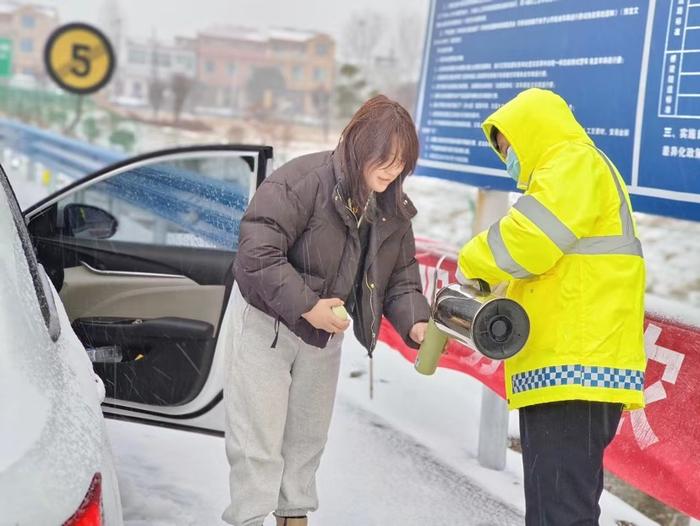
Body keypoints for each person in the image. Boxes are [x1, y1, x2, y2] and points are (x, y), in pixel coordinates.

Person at [222, 95, 430, 526]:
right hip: (268, 324)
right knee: (257, 439)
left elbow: (402, 276)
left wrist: (417, 322)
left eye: (402, 164)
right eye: (386, 159)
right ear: (359, 146)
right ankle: (249, 518)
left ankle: (294, 517)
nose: (393, 172)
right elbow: (256, 255)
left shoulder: (389, 206)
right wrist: (308, 305)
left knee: (306, 438)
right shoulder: (301, 181)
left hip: (323, 334)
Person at [457, 88, 647, 525]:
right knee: (550, 510)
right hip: (567, 366)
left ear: (533, 133)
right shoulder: (566, 172)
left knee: (562, 512)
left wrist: (471, 259)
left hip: (578, 367)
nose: (508, 159)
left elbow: (528, 243)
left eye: (509, 148)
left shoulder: (573, 163)